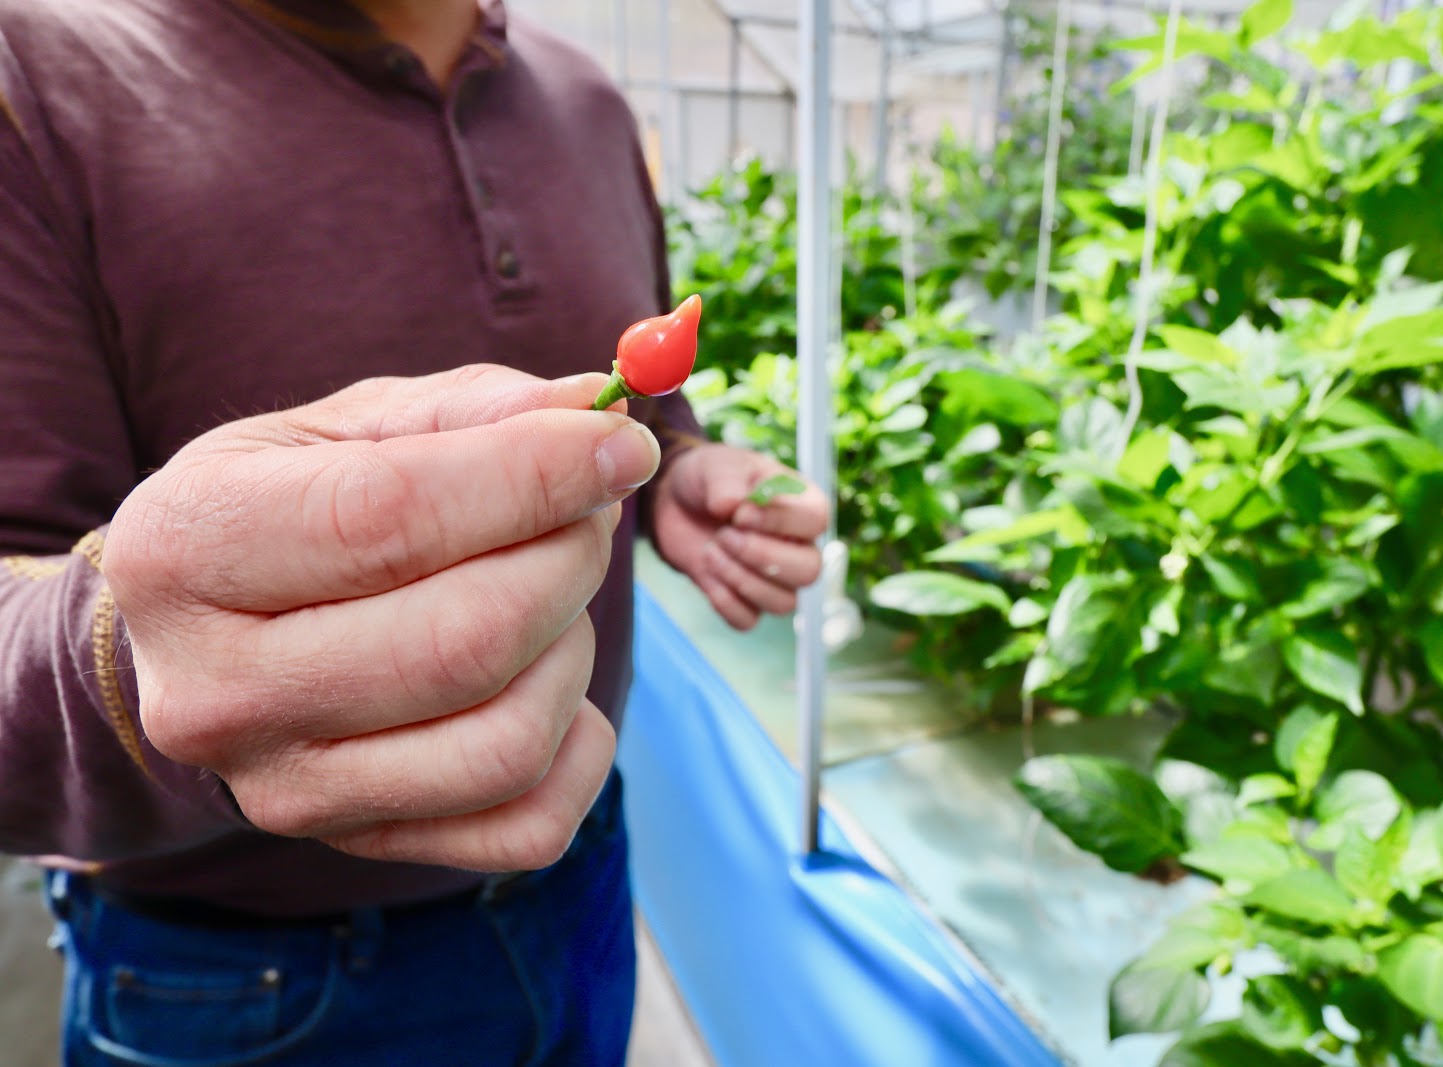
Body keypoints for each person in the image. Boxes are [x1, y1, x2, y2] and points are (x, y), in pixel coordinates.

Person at [0, 0, 828, 1063]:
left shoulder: (584, 99)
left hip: (583, 874)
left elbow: (637, 409)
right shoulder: (38, 76)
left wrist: (680, 474)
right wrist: (133, 657)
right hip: (250, 979)